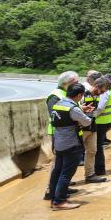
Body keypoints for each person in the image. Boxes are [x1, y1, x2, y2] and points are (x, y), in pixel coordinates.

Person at [46, 83, 92, 210]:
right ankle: (59, 202)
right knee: (66, 174)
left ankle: (53, 198)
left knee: (57, 171)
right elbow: (87, 121)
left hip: (58, 143)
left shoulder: (58, 104)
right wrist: (82, 114)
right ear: (79, 95)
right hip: (71, 143)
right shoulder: (73, 108)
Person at [44, 71, 82, 201]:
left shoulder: (67, 94)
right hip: (59, 133)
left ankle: (62, 188)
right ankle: (51, 190)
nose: (77, 85)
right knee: (58, 164)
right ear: (67, 83)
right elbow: (56, 116)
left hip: (69, 133)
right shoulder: (54, 96)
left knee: (65, 164)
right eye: (75, 83)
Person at [80, 72, 107, 183]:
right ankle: (64, 181)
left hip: (92, 126)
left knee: (92, 151)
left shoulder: (96, 96)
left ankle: (90, 175)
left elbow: (94, 112)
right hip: (81, 128)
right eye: (102, 91)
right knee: (72, 154)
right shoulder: (82, 95)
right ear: (96, 86)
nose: (102, 94)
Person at [91, 76, 111, 177]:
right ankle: (99, 168)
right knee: (98, 145)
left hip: (101, 121)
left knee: (97, 146)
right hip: (109, 120)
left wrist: (91, 116)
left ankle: (99, 169)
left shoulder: (104, 92)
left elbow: (100, 107)